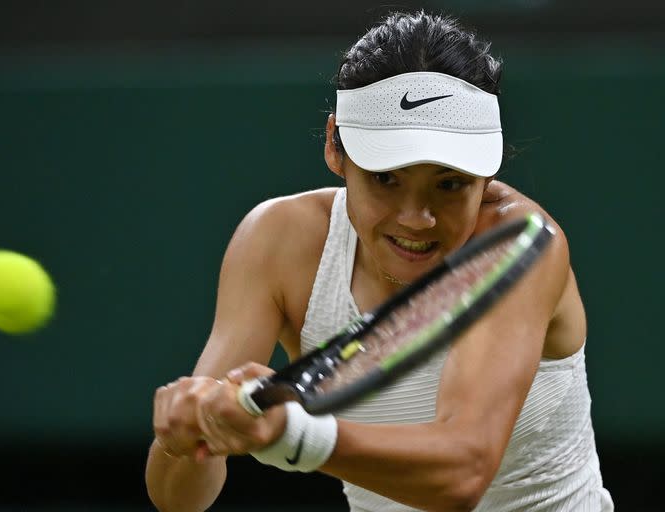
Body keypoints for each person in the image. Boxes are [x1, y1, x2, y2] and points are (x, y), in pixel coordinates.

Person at [145, 10, 614, 512]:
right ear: (334, 146)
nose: (417, 218)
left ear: (487, 175)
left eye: (450, 183)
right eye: (386, 178)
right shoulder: (279, 242)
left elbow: (462, 472)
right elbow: (180, 500)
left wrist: (289, 435)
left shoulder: (519, 246)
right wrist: (185, 435)